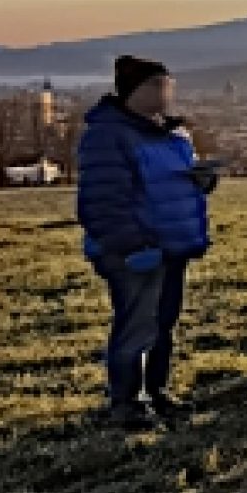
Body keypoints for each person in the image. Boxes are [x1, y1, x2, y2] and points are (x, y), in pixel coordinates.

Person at [76, 56, 215, 430]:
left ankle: (156, 391)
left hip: (172, 245)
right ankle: (126, 401)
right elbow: (102, 200)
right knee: (137, 324)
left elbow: (175, 182)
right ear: (133, 91)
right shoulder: (108, 135)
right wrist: (132, 244)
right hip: (135, 250)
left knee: (163, 324)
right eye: (156, 85)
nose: (165, 92)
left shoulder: (175, 133)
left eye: (168, 84)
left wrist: (202, 181)